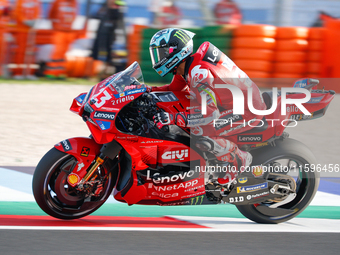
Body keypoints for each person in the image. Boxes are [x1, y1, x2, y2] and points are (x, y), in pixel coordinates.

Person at [148, 28, 266, 185]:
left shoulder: (199, 73)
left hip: (246, 110)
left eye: (162, 53)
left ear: (176, 51)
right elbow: (174, 89)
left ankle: (240, 158)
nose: (159, 58)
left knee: (199, 131)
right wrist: (145, 91)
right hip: (232, 104)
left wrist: (174, 118)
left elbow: (210, 114)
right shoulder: (186, 67)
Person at [91, 0, 126, 78]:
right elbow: (94, 15)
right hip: (103, 36)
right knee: (101, 55)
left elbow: (118, 21)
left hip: (112, 37)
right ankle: (100, 73)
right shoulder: (103, 9)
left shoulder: (118, 11)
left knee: (111, 57)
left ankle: (106, 74)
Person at [44, 0, 78, 79]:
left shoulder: (74, 2)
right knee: (57, 51)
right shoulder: (58, 2)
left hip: (69, 30)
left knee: (64, 52)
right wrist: (55, 25)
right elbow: (51, 14)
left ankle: (60, 73)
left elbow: (74, 15)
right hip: (58, 30)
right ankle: (51, 72)